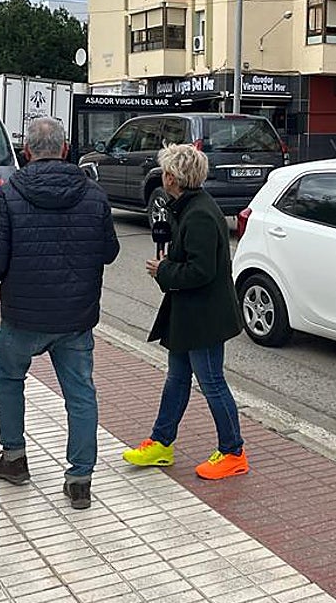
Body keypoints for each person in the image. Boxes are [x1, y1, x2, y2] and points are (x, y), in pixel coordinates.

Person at [0, 117, 119, 510]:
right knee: (80, 394)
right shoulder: (94, 195)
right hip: (75, 319)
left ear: (26, 152)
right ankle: (79, 480)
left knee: (8, 379)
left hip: (22, 317)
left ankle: (14, 459)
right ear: (65, 148)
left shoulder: (7, 195)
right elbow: (110, 252)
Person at [124, 143, 249, 481]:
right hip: (188, 314)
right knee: (177, 379)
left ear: (171, 177)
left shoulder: (199, 215)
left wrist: (163, 271)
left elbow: (201, 271)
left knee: (212, 383)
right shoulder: (188, 207)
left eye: (165, 171)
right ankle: (162, 443)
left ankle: (233, 452)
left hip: (204, 318)